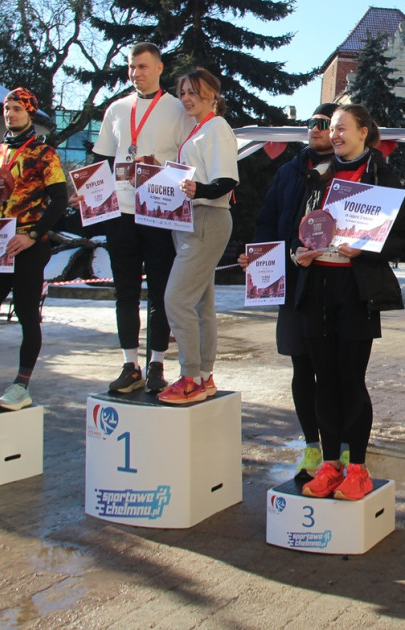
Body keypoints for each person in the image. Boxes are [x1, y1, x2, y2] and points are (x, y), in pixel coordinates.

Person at [292, 104, 405, 501]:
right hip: (316, 288)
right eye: (332, 128)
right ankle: (330, 465)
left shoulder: (384, 177)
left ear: (365, 131)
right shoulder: (318, 175)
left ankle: (358, 468)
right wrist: (300, 254)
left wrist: (365, 249)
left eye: (343, 128)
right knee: (323, 381)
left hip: (355, 292)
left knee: (351, 380)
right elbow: (303, 230)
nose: (335, 134)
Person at [241, 102, 338, 480]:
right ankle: (312, 447)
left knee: (334, 372)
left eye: (324, 123)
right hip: (293, 284)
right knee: (301, 366)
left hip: (331, 285)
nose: (314, 128)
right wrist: (258, 255)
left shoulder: (348, 174)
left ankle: (342, 448)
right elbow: (266, 220)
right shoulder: (289, 171)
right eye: (311, 123)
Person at [92, 42, 191, 395]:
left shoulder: (178, 109)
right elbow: (102, 161)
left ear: (160, 68)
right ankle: (129, 364)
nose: (136, 73)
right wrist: (86, 193)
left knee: (160, 292)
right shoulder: (117, 109)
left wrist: (160, 171)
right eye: (132, 67)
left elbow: (186, 160)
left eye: (143, 67)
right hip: (121, 212)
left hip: (159, 211)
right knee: (125, 291)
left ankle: (156, 364)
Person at [0, 88, 67, 410]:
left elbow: (59, 200)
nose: (10, 113)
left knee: (26, 314)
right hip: (1, 240)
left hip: (29, 243)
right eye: (7, 108)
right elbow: (0, 193)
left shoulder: (44, 153)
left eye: (17, 109)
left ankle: (22, 385)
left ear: (30, 113)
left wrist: (34, 234)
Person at [156, 68, 239, 404]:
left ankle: (190, 376)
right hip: (193, 220)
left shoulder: (216, 128)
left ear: (212, 95)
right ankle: (204, 377)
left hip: (206, 218)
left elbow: (227, 181)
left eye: (194, 91)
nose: (187, 98)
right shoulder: (199, 129)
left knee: (176, 299)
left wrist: (197, 189)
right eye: (184, 92)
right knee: (202, 304)